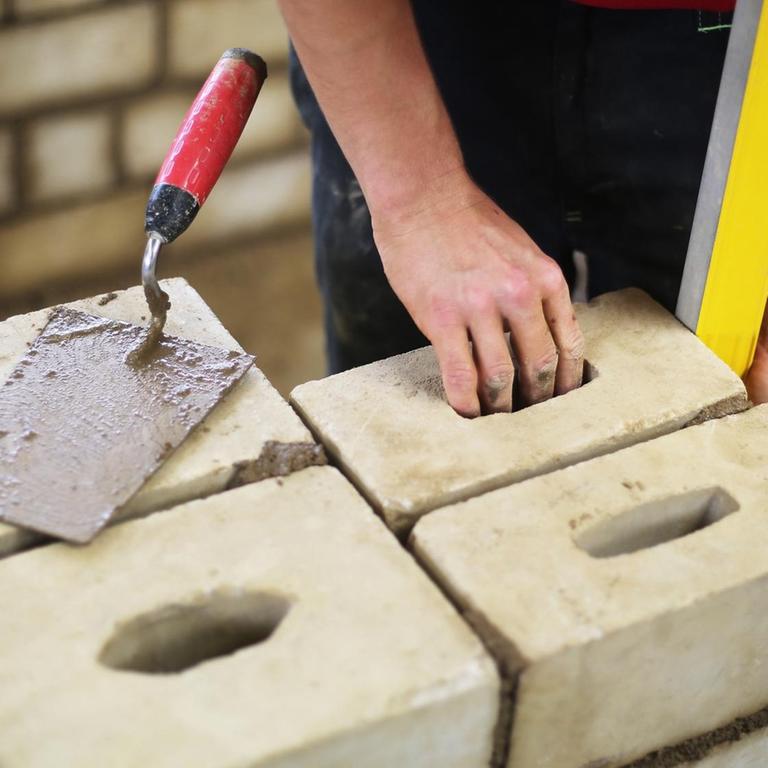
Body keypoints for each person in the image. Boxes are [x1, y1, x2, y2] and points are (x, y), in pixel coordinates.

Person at [278, 0, 766, 415]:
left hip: (733, 35)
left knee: (715, 404)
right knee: (407, 392)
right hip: (411, 30)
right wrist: (419, 205)